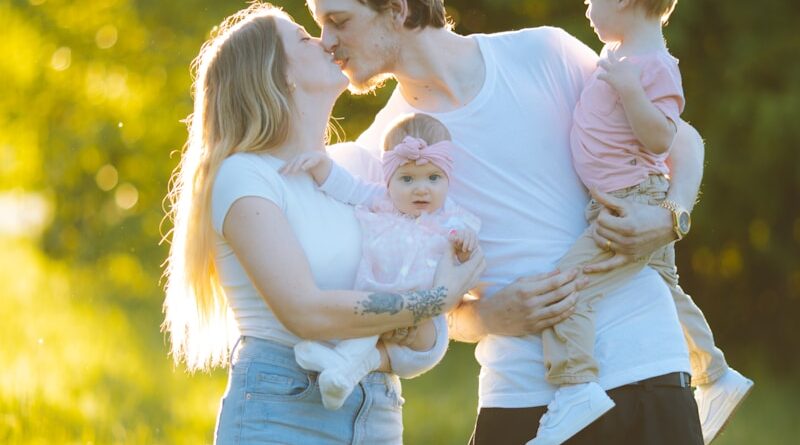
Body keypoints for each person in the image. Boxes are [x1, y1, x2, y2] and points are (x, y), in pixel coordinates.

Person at [305, 0, 745, 443]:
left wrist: (671, 215)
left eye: (338, 21)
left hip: (645, 365)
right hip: (524, 397)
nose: (327, 42)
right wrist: (487, 316)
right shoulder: (382, 149)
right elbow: (428, 308)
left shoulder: (544, 54)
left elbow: (677, 136)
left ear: (397, 9)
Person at [161, 3, 486, 444]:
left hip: (376, 409)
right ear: (279, 75)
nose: (328, 41)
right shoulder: (245, 176)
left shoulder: (353, 173)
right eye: (304, 37)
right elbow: (305, 311)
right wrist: (434, 299)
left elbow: (415, 290)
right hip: (283, 411)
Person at [529, 0, 754, 443]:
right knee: (665, 289)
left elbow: (661, 137)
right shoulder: (622, 59)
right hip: (625, 198)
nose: (587, 6)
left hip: (632, 203)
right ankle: (715, 371)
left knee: (567, 287)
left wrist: (631, 90)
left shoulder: (653, 67)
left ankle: (575, 385)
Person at [280, 112, 480, 410]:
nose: (421, 188)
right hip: (377, 311)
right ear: (389, 180)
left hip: (423, 324)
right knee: (366, 326)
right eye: (407, 178)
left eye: (433, 178)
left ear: (448, 179)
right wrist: (322, 166)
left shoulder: (452, 220)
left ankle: (336, 363)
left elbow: (465, 263)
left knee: (405, 334)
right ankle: (341, 372)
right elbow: (347, 187)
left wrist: (465, 246)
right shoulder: (381, 200)